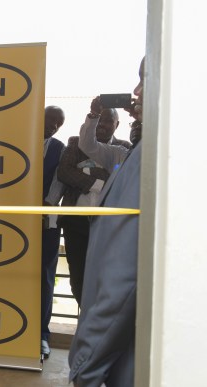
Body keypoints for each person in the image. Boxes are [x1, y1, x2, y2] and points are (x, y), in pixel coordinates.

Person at [68, 58, 144, 387]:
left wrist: (85, 362)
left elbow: (123, 279)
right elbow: (87, 146)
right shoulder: (120, 156)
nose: (136, 93)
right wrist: (93, 115)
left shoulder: (134, 155)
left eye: (145, 80)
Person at [57, 107, 130, 305]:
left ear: (117, 125)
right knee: (78, 278)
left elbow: (121, 182)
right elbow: (64, 173)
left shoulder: (124, 148)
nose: (103, 125)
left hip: (108, 226)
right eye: (100, 120)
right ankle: (86, 324)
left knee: (105, 277)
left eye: (108, 121)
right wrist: (100, 182)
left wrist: (84, 175)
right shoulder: (76, 142)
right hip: (76, 223)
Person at [41, 105, 66, 359]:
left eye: (58, 124)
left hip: (46, 223)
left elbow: (58, 183)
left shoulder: (60, 149)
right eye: (51, 120)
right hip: (13, 220)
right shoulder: (17, 139)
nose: (53, 126)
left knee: (45, 277)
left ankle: (41, 335)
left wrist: (45, 207)